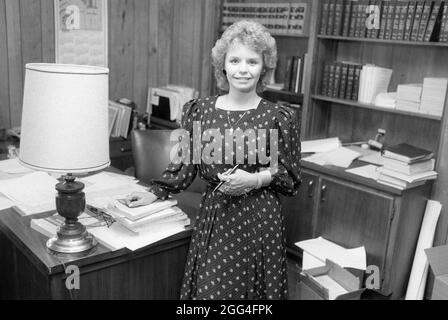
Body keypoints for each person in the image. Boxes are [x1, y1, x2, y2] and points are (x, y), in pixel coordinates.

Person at [126, 20, 301, 300]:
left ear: (264, 67)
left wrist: (255, 179)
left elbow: (290, 178)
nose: (243, 69)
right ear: (223, 65)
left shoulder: (279, 117)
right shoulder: (199, 111)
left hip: (261, 220)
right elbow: (182, 165)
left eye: (252, 62)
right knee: (211, 293)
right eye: (235, 60)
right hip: (217, 216)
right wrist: (154, 194)